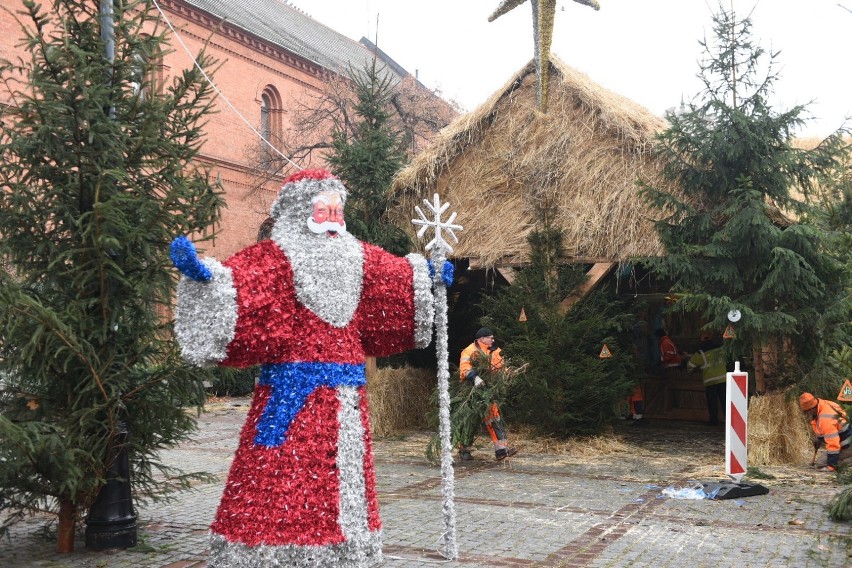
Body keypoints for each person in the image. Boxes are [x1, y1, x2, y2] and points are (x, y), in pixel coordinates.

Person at [171, 169, 435, 567]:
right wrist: (206, 278)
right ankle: (271, 552)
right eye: (323, 210)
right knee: (281, 472)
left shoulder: (357, 255)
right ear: (298, 212)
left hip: (346, 395)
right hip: (290, 395)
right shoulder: (276, 257)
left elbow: (394, 279)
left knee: (345, 472)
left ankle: (349, 547)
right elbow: (244, 284)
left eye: (337, 211)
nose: (333, 220)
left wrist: (428, 279)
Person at [458, 327, 518, 461]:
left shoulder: (495, 351)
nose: (493, 339)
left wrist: (507, 373)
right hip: (472, 391)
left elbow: (500, 366)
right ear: (482, 339)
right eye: (490, 337)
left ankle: (501, 450)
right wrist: (474, 377)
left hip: (488, 390)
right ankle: (464, 450)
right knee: (471, 420)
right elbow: (464, 368)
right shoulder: (470, 351)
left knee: (494, 417)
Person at [799, 393, 852, 471]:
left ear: (811, 409)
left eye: (806, 412)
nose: (806, 414)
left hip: (848, 446)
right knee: (822, 462)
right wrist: (819, 438)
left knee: (821, 463)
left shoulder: (825, 419)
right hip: (846, 442)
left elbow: (833, 444)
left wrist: (831, 466)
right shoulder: (824, 404)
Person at [687, 334, 727, 425]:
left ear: (701, 341)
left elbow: (690, 366)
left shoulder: (700, 353)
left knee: (712, 402)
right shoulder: (720, 349)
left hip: (711, 381)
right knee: (724, 401)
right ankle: (728, 420)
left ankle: (714, 420)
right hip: (723, 380)